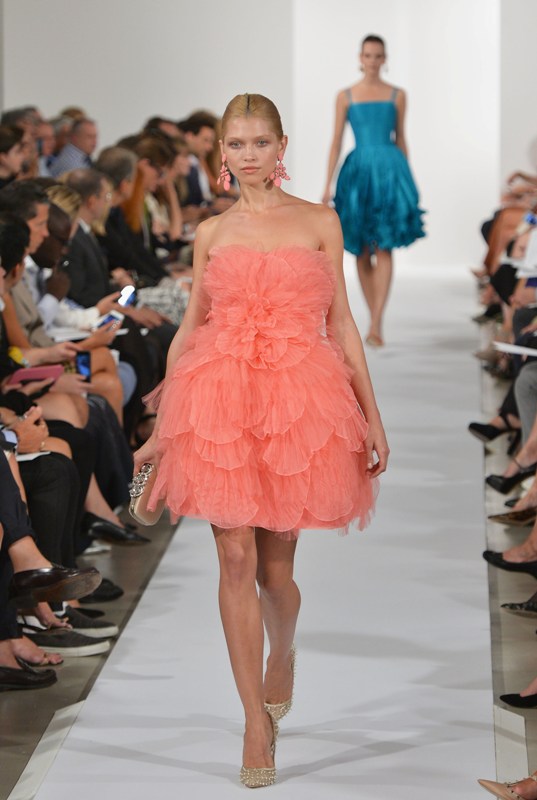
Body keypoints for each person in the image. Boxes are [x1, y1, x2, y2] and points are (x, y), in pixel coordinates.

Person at [134, 93, 389, 787]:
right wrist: (162, 425)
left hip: (297, 401)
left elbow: (340, 324)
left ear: (281, 147)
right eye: (236, 144)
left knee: (277, 575)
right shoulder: (212, 232)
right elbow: (190, 326)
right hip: (218, 398)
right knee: (235, 556)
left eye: (259, 142)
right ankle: (253, 719)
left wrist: (371, 415)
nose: (248, 155)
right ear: (222, 152)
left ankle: (283, 650)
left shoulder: (319, 221)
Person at [323, 34, 425, 347]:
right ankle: (373, 315)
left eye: (378, 55)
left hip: (389, 171)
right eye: (368, 55)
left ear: (384, 59)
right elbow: (336, 140)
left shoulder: (398, 95)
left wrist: (407, 179)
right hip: (358, 174)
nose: (372, 61)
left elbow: (401, 137)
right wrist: (327, 184)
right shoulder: (345, 96)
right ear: (360, 57)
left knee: (384, 246)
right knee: (361, 249)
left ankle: (377, 320)